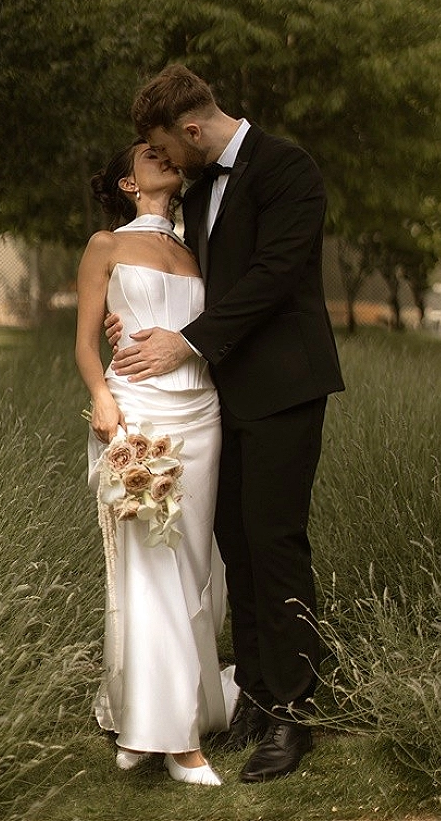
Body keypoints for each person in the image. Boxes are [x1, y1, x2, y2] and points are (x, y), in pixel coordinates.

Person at [106, 65, 345, 783]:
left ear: (190, 130)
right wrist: (138, 315)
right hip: (221, 398)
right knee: (235, 547)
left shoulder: (287, 167)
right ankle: (259, 694)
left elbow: (274, 275)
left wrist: (190, 340)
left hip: (283, 389)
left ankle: (295, 714)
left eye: (165, 149)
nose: (168, 165)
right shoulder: (204, 184)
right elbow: (191, 280)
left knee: (274, 544)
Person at [75, 138, 238, 786]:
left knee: (193, 563)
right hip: (137, 412)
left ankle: (141, 710)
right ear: (126, 183)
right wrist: (101, 397)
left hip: (202, 414)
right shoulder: (105, 247)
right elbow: (88, 344)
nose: (163, 155)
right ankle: (177, 741)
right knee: (149, 564)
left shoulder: (198, 245)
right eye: (148, 151)